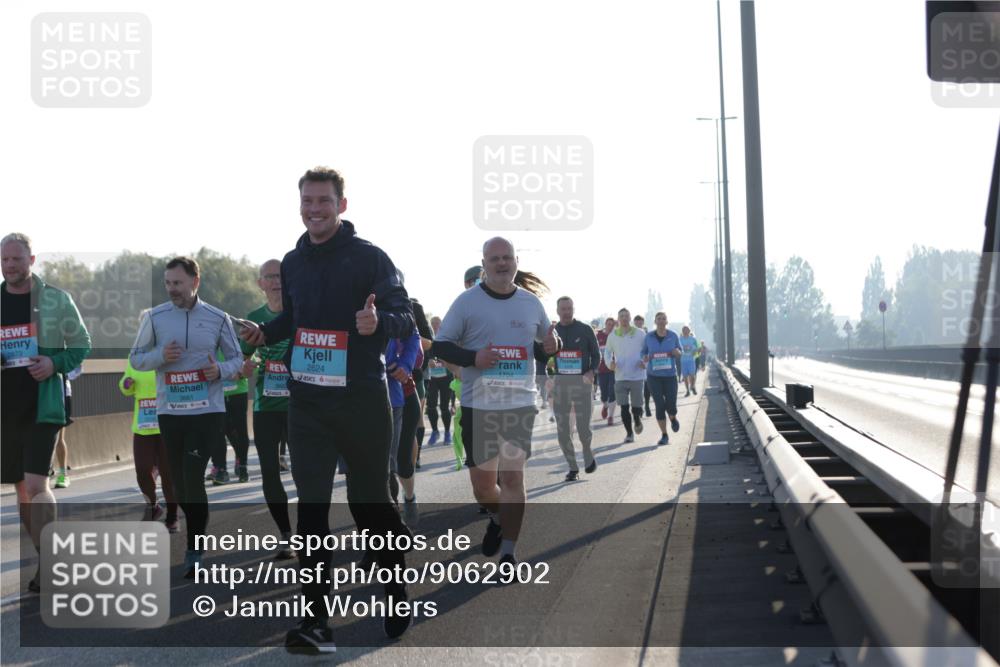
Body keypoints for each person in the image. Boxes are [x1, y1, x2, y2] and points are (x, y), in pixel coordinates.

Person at [240, 166, 415, 652]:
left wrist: (377, 323)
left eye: (323, 201)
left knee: (367, 502)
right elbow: (294, 320)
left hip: (361, 399)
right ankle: (316, 621)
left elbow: (405, 317)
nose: (314, 209)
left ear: (342, 205)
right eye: (307, 201)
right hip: (308, 403)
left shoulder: (370, 258)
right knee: (312, 509)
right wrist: (266, 333)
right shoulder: (294, 262)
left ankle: (394, 586)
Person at [431, 237, 560, 568]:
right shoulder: (466, 303)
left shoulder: (532, 303)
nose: (501, 263)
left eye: (507, 258)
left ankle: (508, 554)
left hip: (519, 404)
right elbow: (441, 347)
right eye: (494, 259)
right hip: (480, 405)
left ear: (516, 261)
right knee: (484, 489)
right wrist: (475, 356)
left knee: (513, 479)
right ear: (484, 264)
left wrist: (552, 344)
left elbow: (547, 344)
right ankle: (498, 517)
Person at [129, 256, 244, 578]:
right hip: (170, 412)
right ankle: (193, 542)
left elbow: (237, 359)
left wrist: (218, 370)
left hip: (207, 412)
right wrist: (160, 356)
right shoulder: (155, 318)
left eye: (177, 283)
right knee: (178, 482)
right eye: (167, 284)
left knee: (192, 478)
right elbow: (136, 360)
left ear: (195, 282)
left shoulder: (218, 318)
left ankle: (194, 550)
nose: (172, 290)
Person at [1, 233, 91, 593]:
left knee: (37, 486)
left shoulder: (55, 299)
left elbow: (82, 344)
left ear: (31, 260)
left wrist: (54, 362)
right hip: (6, 411)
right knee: (23, 492)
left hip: (44, 406)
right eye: (5, 260)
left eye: (17, 260)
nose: (10, 266)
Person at [242, 259, 294, 560]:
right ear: (261, 284)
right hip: (266, 406)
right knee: (270, 472)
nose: (275, 282)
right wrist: (245, 367)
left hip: (300, 405)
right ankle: (286, 535)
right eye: (269, 277)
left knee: (307, 472)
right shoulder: (254, 318)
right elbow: (243, 356)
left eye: (279, 276)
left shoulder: (299, 312)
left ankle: (310, 532)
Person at [120, 355, 179, 532]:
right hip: (143, 426)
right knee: (142, 469)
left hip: (167, 423)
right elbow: (125, 383)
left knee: (168, 474)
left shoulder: (168, 355)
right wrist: (126, 384)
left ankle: (173, 517)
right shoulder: (135, 357)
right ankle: (153, 507)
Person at [552, 297, 601, 481]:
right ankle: (573, 468)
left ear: (574, 309)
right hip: (560, 386)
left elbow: (597, 356)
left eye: (569, 308)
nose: (566, 311)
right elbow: (541, 357)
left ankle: (587, 452)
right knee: (563, 430)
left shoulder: (585, 329)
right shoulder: (552, 331)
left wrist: (591, 371)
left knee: (583, 429)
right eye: (563, 308)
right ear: (557, 310)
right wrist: (544, 379)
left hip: (582, 385)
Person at [386, 331, 422, 527]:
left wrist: (401, 363)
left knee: (401, 459)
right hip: (367, 395)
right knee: (382, 464)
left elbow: (419, 357)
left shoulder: (400, 313)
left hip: (405, 395)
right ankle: (391, 518)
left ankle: (409, 498)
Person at [604, 308, 646, 443]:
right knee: (623, 406)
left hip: (637, 376)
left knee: (636, 407)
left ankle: (638, 419)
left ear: (630, 318)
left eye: (626, 316)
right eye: (621, 316)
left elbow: (647, 350)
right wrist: (609, 363)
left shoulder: (640, 333)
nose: (624, 318)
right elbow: (607, 353)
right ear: (618, 319)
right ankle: (629, 433)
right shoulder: (613, 335)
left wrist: (645, 361)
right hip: (620, 376)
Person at [642, 313, 683, 445]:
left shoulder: (673, 335)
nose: (661, 321)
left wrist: (677, 353)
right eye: (658, 319)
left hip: (670, 376)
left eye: (663, 318)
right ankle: (664, 434)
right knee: (659, 405)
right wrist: (644, 357)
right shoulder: (649, 337)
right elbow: (643, 352)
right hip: (653, 377)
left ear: (667, 321)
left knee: (671, 404)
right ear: (655, 321)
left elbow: (680, 351)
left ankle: (673, 418)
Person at [425, 316, 454, 447]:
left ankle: (447, 432)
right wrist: (428, 361)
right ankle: (435, 431)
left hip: (445, 377)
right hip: (432, 378)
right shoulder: (428, 339)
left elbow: (453, 356)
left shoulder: (446, 339)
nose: (435, 325)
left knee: (444, 406)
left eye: (437, 323)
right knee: (430, 406)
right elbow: (422, 355)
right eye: (433, 323)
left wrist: (444, 361)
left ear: (441, 324)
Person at [52, 365, 81, 488]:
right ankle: (43, 471)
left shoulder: (66, 346)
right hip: (39, 391)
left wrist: (60, 372)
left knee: (58, 435)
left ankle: (63, 474)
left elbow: (77, 368)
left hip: (61, 392)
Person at [595, 317, 616, 426]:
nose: (611, 326)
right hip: (602, 369)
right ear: (605, 324)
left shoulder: (617, 336)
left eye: (613, 324)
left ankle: (611, 416)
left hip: (614, 369)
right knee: (604, 394)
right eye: (609, 324)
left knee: (612, 391)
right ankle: (605, 405)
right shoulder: (598, 336)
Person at [633, 315, 653, 417]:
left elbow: (650, 348)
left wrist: (646, 362)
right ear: (634, 323)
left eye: (640, 322)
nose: (638, 324)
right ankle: (639, 407)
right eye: (636, 322)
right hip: (635, 363)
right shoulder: (630, 334)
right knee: (637, 388)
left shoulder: (647, 334)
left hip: (645, 361)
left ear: (643, 323)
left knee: (647, 387)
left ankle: (647, 406)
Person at [679, 326, 699, 397]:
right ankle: (687, 390)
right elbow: (677, 348)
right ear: (682, 331)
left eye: (687, 330)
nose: (685, 331)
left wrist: (695, 352)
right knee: (685, 376)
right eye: (684, 330)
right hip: (683, 360)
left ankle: (692, 386)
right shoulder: (680, 339)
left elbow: (697, 348)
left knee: (692, 375)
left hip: (691, 360)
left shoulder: (693, 339)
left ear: (689, 331)